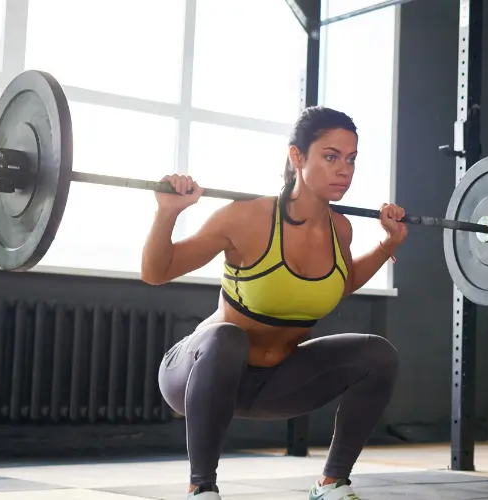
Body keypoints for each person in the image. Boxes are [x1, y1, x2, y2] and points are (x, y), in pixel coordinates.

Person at [140, 106, 403, 500]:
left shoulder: (340, 229)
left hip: (276, 384)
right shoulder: (246, 217)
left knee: (378, 354)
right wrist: (167, 214)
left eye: (350, 159)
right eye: (330, 157)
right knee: (227, 337)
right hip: (199, 373)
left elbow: (339, 283)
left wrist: (387, 245)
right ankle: (201, 489)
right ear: (297, 157)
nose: (344, 170)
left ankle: (331, 484)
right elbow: (156, 272)